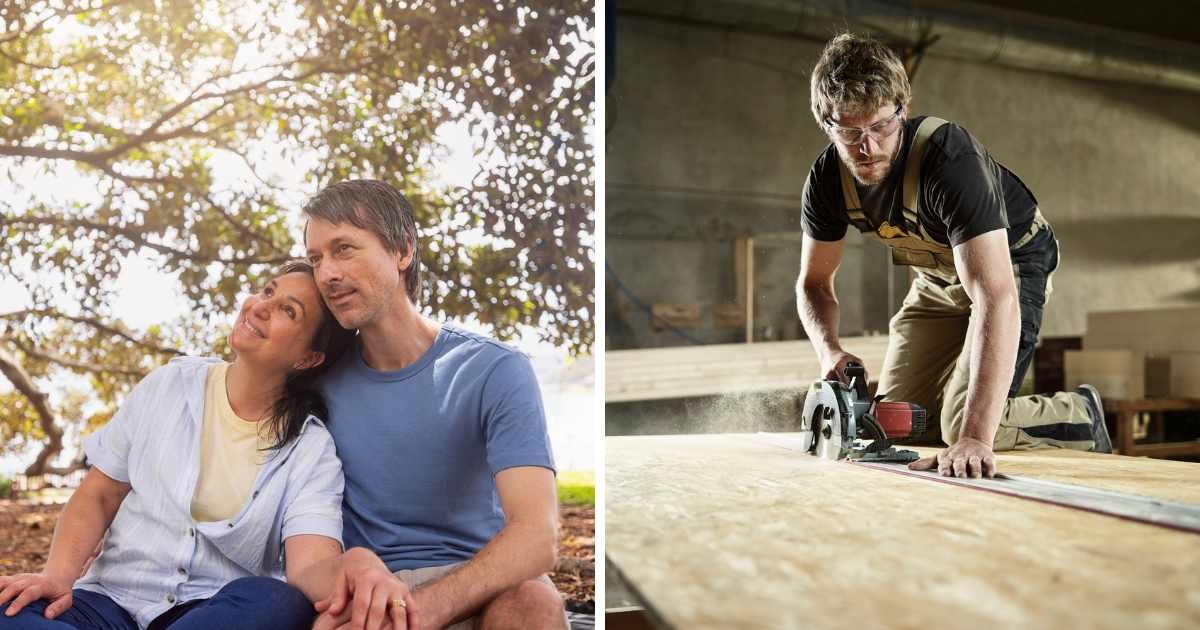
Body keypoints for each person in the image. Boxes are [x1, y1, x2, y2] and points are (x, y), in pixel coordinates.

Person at [796, 33, 1112, 480]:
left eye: (880, 126)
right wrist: (829, 351)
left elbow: (995, 295)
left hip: (1010, 266)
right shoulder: (827, 180)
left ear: (902, 110)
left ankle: (1079, 414)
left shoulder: (948, 159)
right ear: (825, 123)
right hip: (938, 276)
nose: (867, 146)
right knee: (899, 422)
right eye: (850, 132)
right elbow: (814, 283)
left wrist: (975, 440)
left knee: (958, 423)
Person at [0, 261, 357, 630]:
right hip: (107, 601)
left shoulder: (310, 449)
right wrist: (57, 577)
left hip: (211, 612)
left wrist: (356, 567)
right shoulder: (170, 385)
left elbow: (309, 564)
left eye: (288, 310)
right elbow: (100, 493)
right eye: (268, 290)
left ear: (308, 358)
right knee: (8, 611)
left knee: (276, 600)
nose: (260, 306)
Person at [300, 180, 566, 630]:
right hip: (369, 595)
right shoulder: (316, 387)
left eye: (344, 249)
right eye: (316, 258)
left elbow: (539, 537)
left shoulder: (493, 370)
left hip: (477, 586)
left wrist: (417, 612)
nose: (326, 274)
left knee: (533, 602)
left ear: (402, 251)